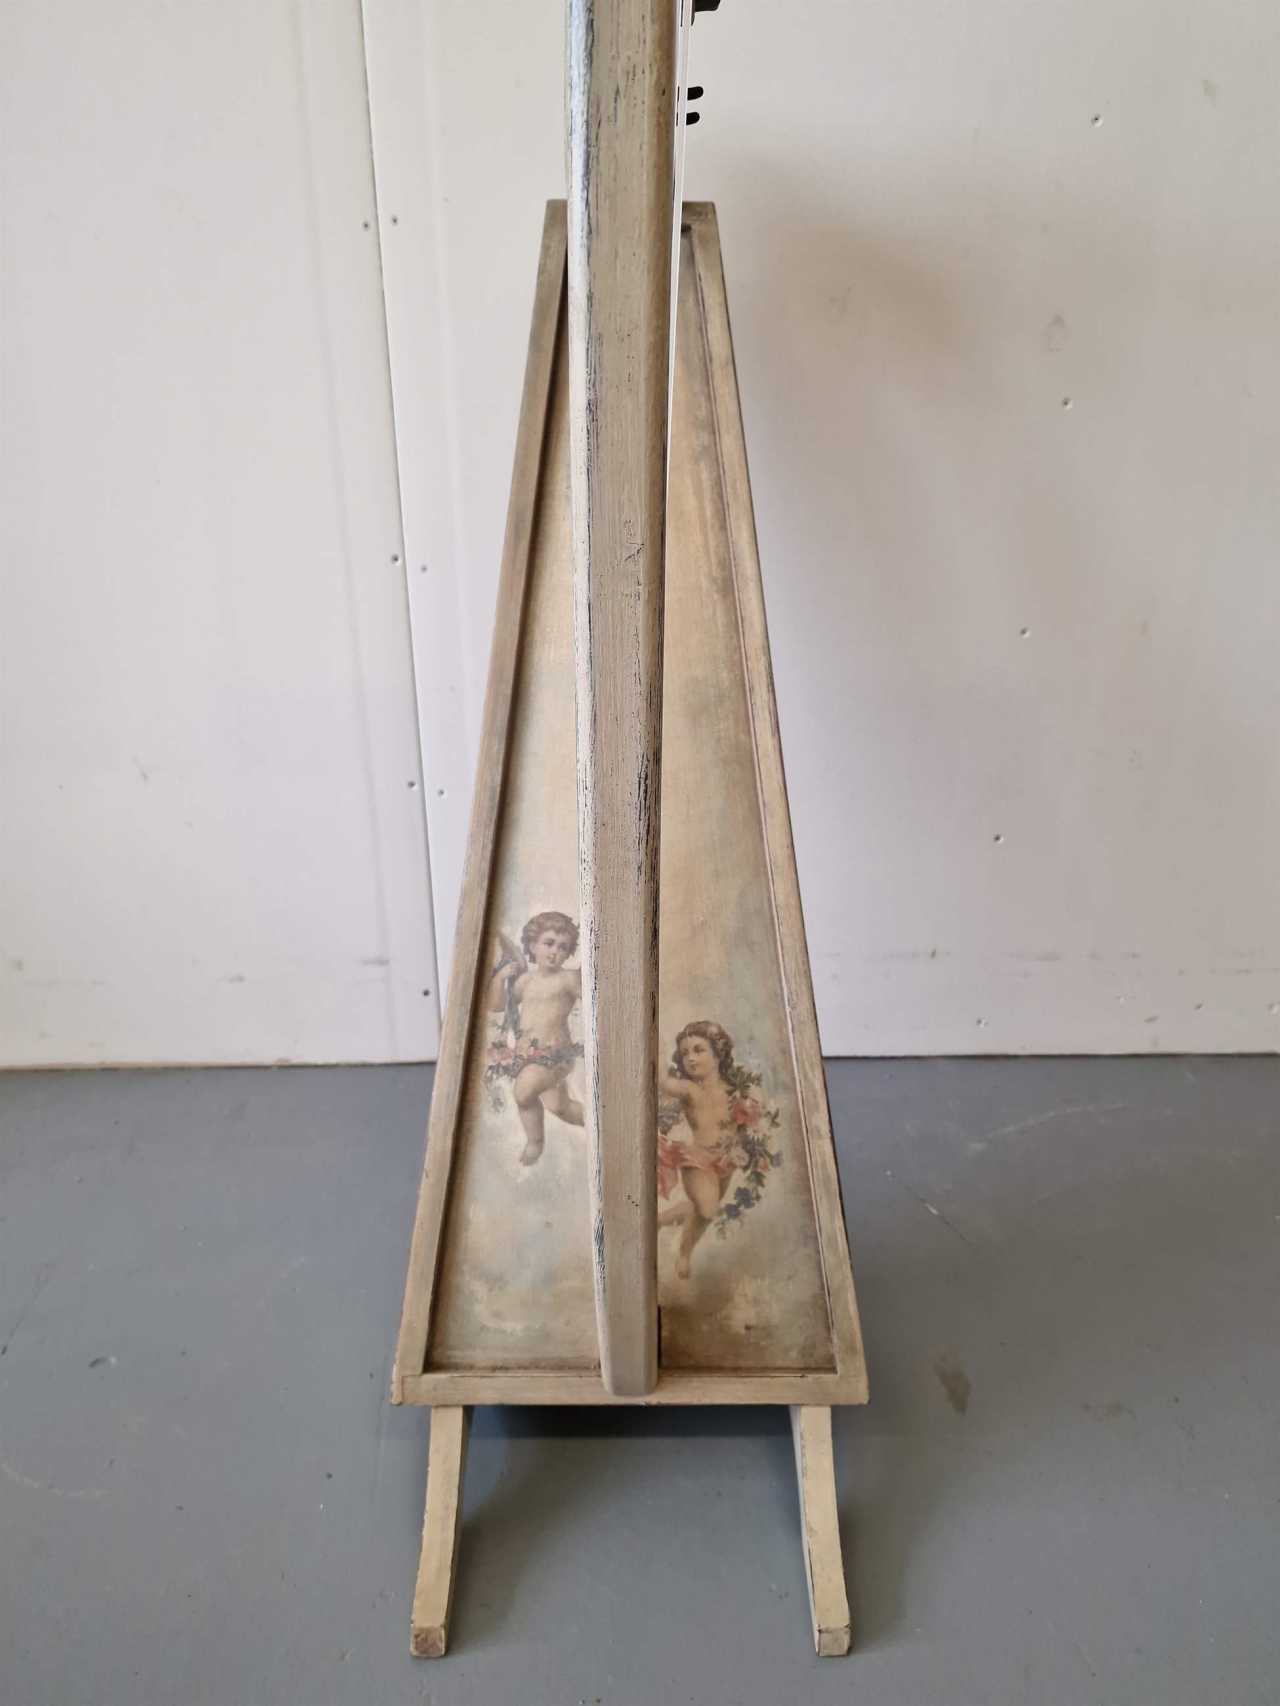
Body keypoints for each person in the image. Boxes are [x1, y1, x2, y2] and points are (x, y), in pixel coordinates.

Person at [486, 911, 584, 1165]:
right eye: (548, 943)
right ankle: (599, 1123)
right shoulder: (525, 980)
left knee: (524, 1091)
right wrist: (499, 978)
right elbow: (496, 1005)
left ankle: (535, 1142)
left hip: (554, 1055)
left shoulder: (568, 979)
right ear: (532, 945)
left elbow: (594, 995)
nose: (555, 952)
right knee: (559, 1106)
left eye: (563, 947)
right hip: (528, 1056)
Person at [656, 1019, 748, 1277]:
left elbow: (743, 1125)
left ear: (718, 1053)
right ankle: (677, 1243)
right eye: (685, 1053)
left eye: (699, 1050)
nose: (691, 1058)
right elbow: (663, 1081)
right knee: (707, 1208)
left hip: (726, 1162)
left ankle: (678, 1242)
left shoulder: (735, 1091)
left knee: (705, 1212)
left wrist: (744, 1145)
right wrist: (654, 1042)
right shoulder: (689, 1089)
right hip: (697, 1159)